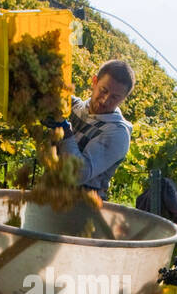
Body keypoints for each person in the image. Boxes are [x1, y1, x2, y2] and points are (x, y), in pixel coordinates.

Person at [53, 60, 135, 200]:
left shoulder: (118, 133)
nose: (105, 100)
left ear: (124, 99)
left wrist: (64, 129)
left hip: (82, 210)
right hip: (49, 196)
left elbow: (78, 174)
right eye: (104, 90)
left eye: (115, 97)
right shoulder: (74, 106)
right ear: (94, 81)